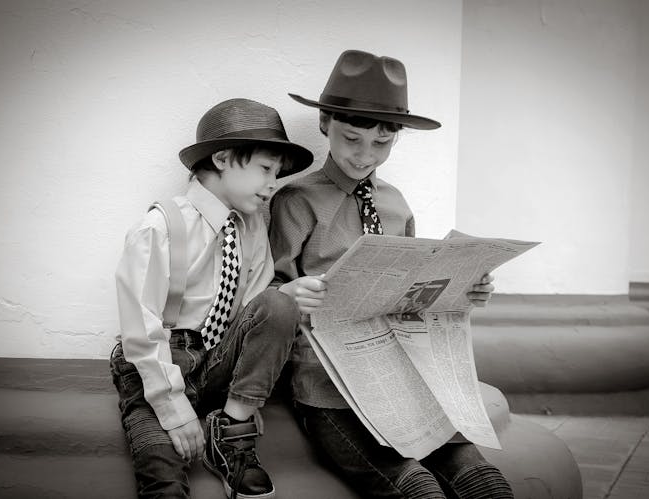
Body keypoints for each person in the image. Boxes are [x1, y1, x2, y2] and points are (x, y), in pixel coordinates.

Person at [269, 50, 514, 498]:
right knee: (416, 489)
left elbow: (412, 294)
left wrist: (463, 290)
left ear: (396, 138)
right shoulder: (296, 201)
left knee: (484, 483)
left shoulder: (396, 203)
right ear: (325, 123)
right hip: (327, 390)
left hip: (401, 378)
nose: (364, 155)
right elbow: (266, 294)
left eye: (381, 143)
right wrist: (290, 292)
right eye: (351, 139)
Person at [110, 98, 313, 498]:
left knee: (279, 302)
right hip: (160, 361)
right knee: (162, 474)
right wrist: (172, 406)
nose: (274, 183)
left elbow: (253, 311)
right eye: (266, 169)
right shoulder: (161, 225)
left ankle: (231, 438)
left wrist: (286, 299)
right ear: (222, 158)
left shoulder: (253, 225)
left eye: (278, 173)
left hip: (218, 358)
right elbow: (140, 324)